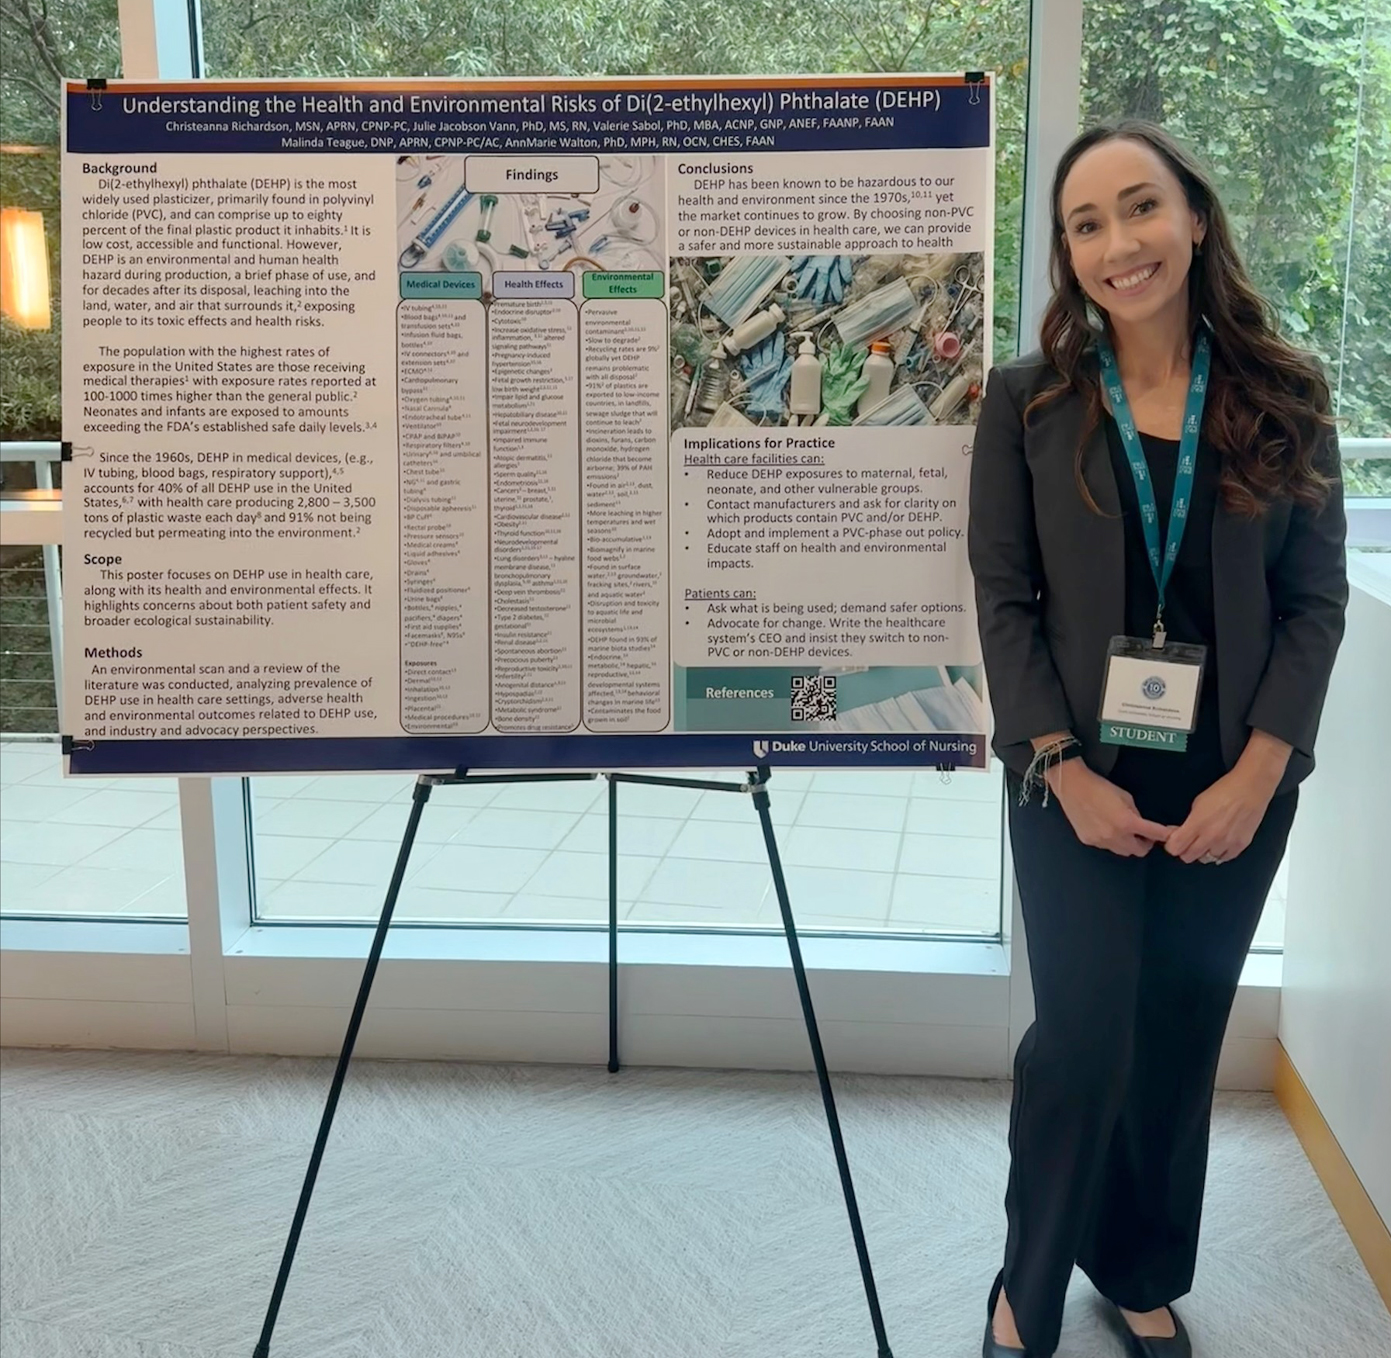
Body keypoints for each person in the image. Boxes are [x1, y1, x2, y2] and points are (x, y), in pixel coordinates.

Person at [967, 120, 1348, 1358]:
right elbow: (1002, 595)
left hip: (1232, 777)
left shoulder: (1283, 392)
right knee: (1082, 1036)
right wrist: (1058, 766)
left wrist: (1259, 773)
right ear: (1066, 252)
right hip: (1070, 772)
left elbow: (1313, 602)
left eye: (1139, 207)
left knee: (1177, 1033)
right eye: (1084, 223)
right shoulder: (1025, 401)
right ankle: (1027, 1278)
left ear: (1192, 216)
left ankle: (1136, 1264)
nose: (1117, 242)